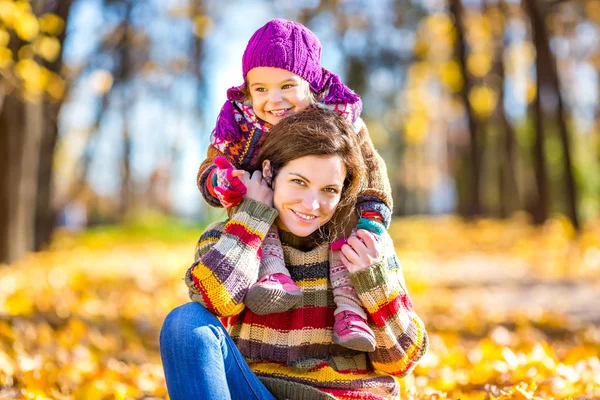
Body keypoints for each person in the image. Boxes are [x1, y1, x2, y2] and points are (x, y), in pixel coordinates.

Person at [161, 109, 428, 400]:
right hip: (258, 392)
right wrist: (252, 220)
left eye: (329, 189)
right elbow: (213, 299)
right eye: (298, 182)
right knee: (184, 323)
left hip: (344, 397)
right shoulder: (232, 234)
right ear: (269, 173)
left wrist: (373, 283)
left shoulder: (365, 245)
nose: (312, 204)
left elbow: (402, 361)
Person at [196, 18, 393, 351]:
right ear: (248, 90)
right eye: (261, 89)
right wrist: (222, 181)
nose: (275, 100)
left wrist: (372, 211)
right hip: (264, 209)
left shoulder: (338, 118)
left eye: (287, 86)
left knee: (341, 212)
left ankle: (349, 309)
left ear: (310, 84)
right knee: (254, 196)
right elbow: (210, 165)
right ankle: (272, 273)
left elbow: (371, 164)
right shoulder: (239, 124)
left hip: (331, 218)